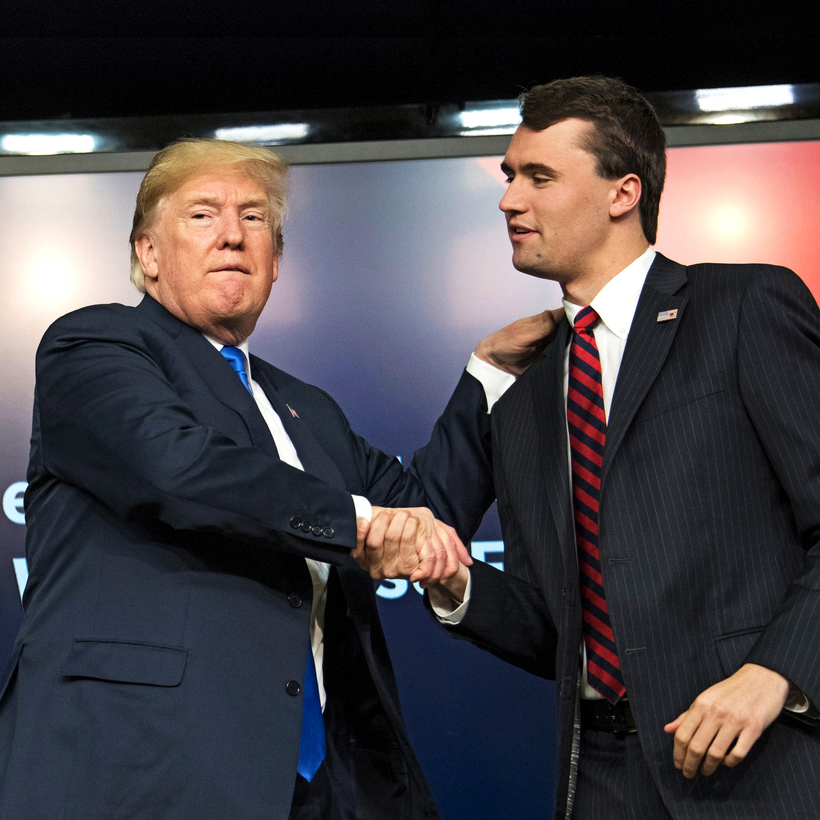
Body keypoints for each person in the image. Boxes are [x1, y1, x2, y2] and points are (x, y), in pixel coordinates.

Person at [0, 138, 551, 820]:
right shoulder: (93, 345)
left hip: (328, 785)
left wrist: (487, 379)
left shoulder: (306, 408)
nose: (233, 234)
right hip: (149, 772)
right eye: (203, 214)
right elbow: (178, 468)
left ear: (277, 261)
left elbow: (422, 515)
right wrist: (360, 524)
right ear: (148, 253)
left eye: (254, 217)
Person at [429, 76, 820, 819]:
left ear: (623, 192)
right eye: (510, 176)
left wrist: (773, 674)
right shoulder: (525, 391)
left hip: (759, 770)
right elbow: (554, 627)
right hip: (601, 778)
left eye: (539, 176)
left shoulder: (741, 307)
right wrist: (457, 586)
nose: (508, 199)